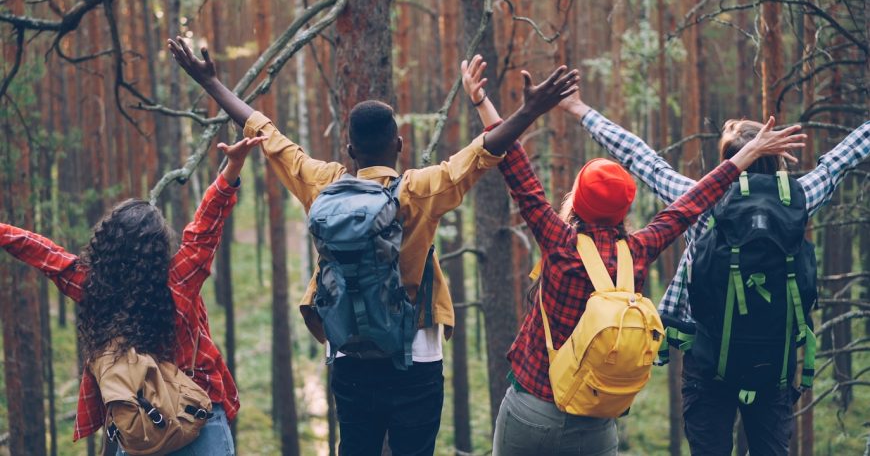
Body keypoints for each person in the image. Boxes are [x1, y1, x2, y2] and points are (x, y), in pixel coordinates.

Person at [167, 37, 579, 456]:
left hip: (348, 351)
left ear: (350, 150)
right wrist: (530, 110)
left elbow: (265, 133)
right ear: (398, 145)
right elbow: (483, 152)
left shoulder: (322, 183)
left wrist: (213, 84)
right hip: (416, 356)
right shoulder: (418, 190)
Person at [461, 56, 806, 456]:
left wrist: (482, 101)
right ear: (624, 210)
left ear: (577, 200)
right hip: (595, 422)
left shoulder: (559, 243)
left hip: (531, 408)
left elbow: (517, 169)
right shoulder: (639, 251)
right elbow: (696, 201)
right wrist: (744, 158)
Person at [561, 91, 870, 454]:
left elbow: (641, 158)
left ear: (727, 161)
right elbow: (840, 161)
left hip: (707, 367)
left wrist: (580, 110)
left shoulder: (700, 199)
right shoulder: (799, 198)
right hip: (773, 369)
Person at [0, 135, 264, 455]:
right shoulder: (178, 282)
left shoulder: (93, 287)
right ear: (157, 246)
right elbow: (205, 227)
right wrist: (233, 165)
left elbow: (45, 254)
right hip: (199, 415)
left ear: (106, 245)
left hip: (142, 427)